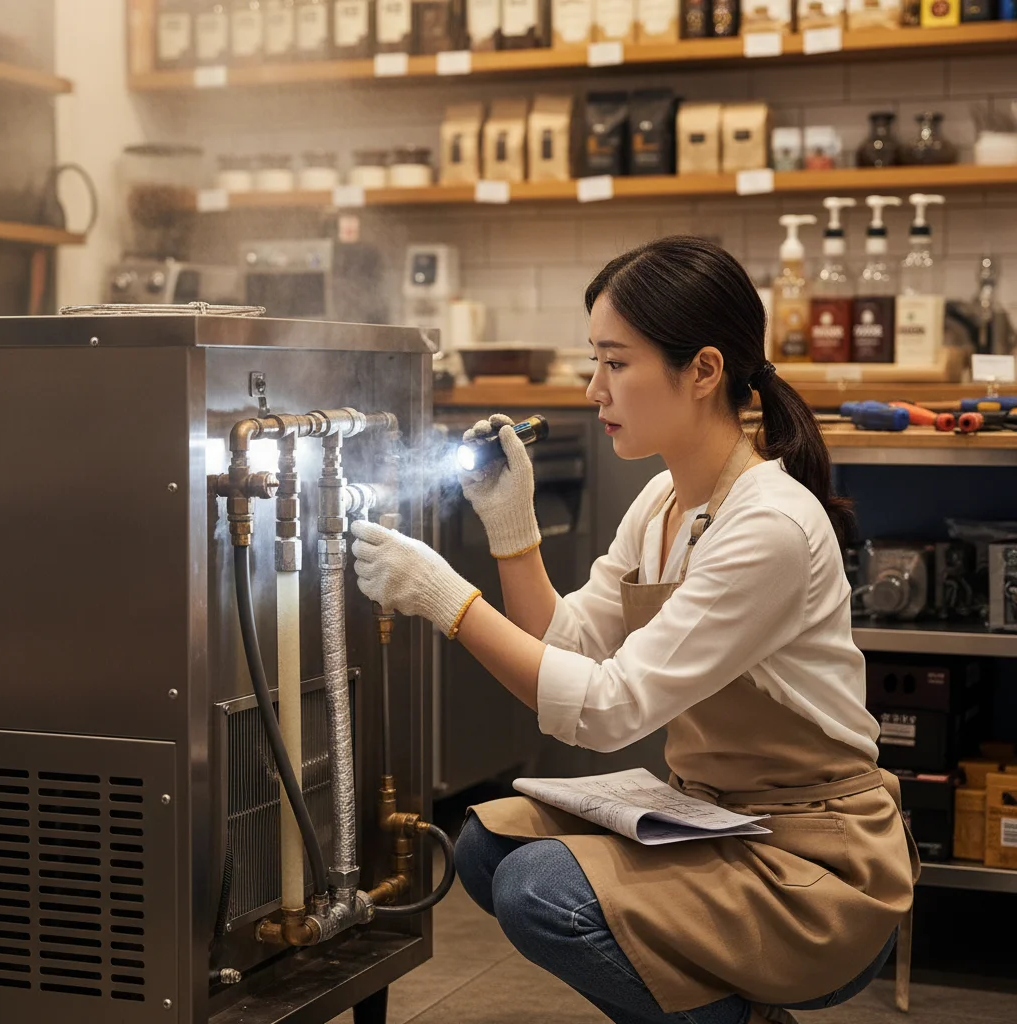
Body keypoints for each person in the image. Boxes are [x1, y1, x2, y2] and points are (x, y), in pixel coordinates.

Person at [349, 236, 919, 1024]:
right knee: (489, 846)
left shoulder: (770, 526)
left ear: (705, 371)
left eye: (616, 363)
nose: (593, 388)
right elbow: (570, 642)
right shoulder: (662, 502)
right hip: (719, 821)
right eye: (595, 361)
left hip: (812, 866)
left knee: (536, 888)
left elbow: (607, 712)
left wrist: (448, 601)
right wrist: (513, 531)